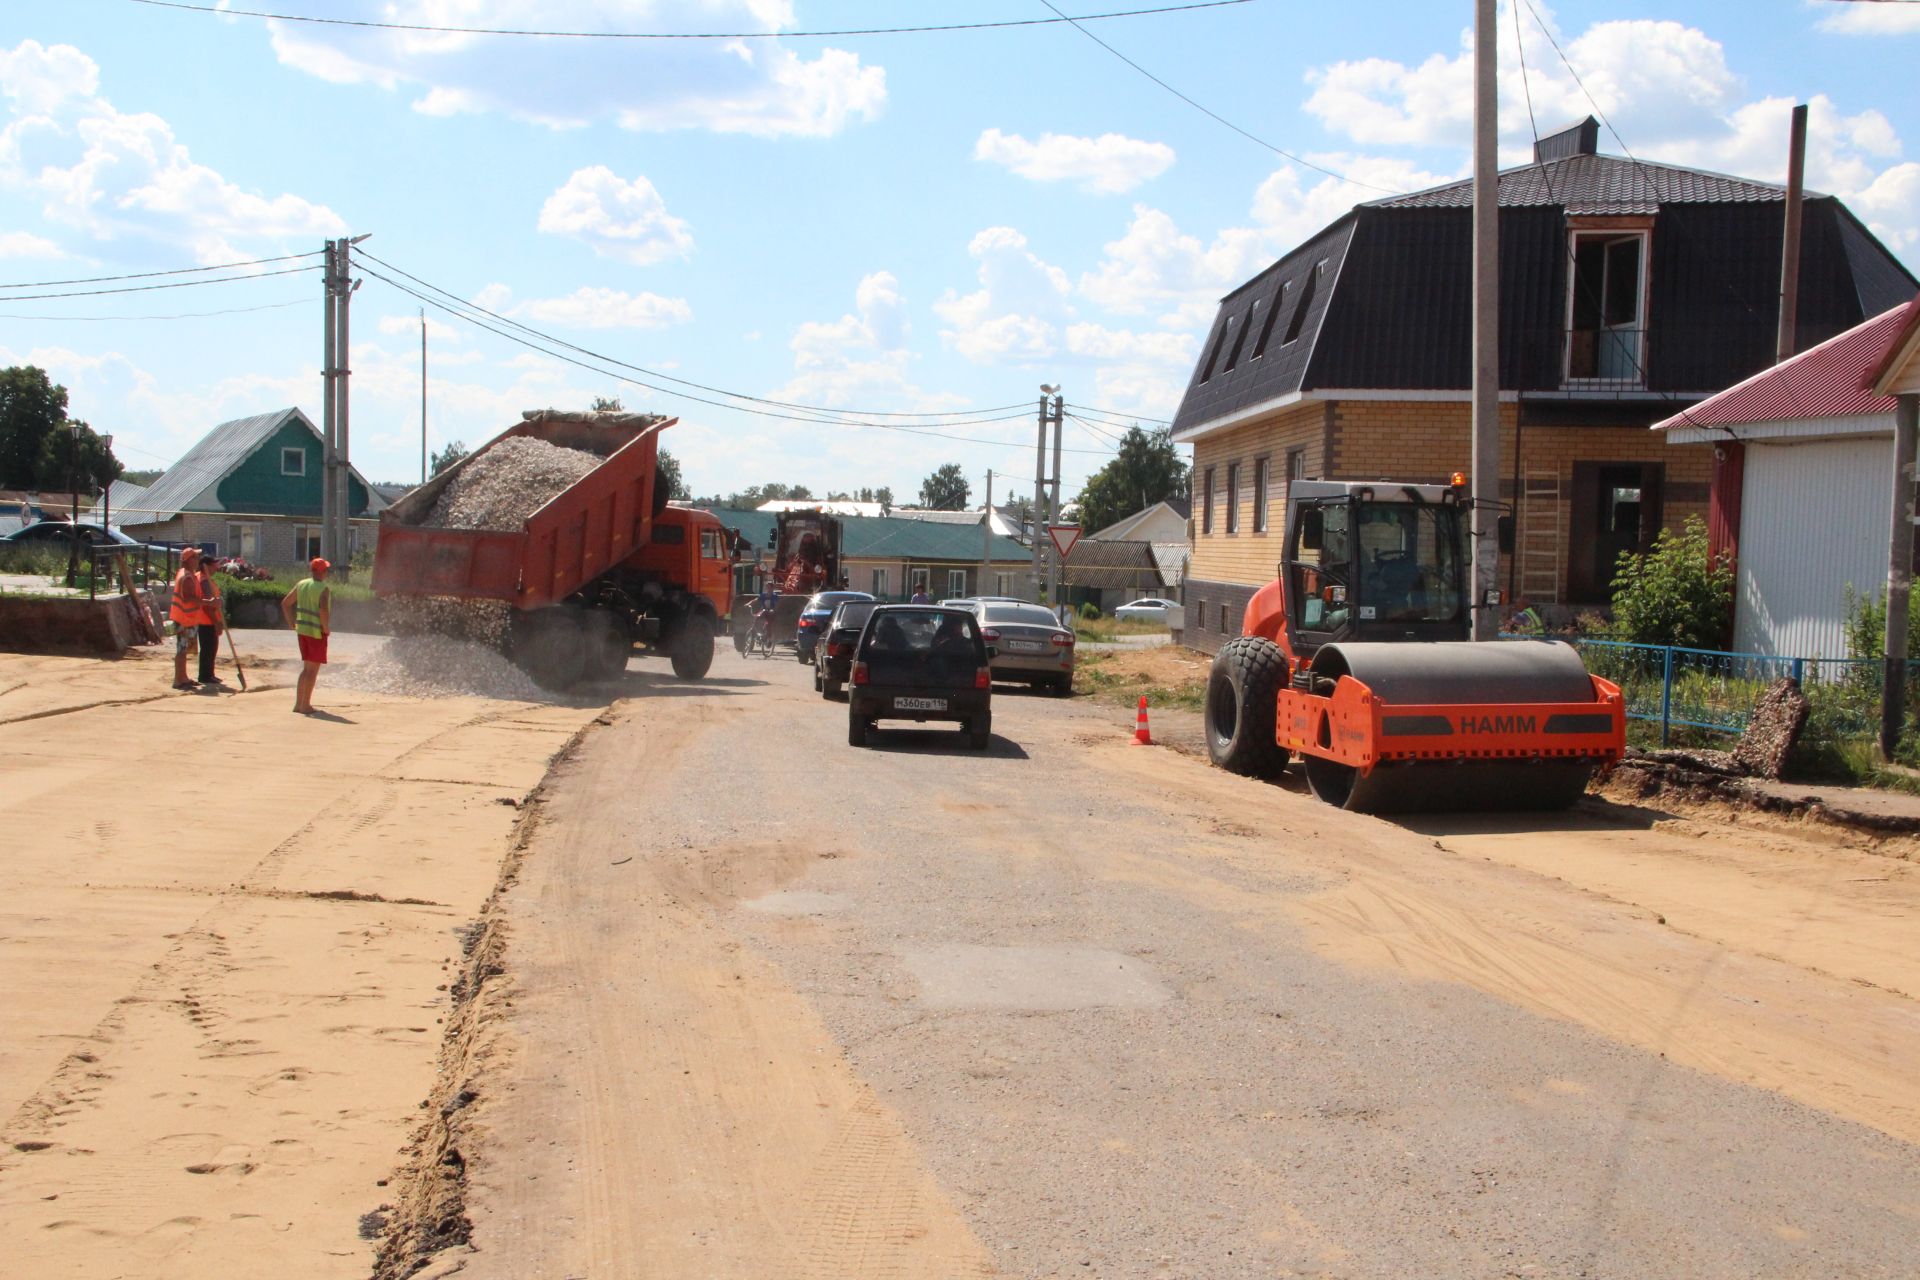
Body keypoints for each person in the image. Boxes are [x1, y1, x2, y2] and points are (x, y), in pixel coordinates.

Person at [280, 557, 333, 715]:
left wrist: (291, 622)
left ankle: (298, 704)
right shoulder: (323, 589)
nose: (327, 572)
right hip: (316, 633)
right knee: (312, 671)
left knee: (305, 670)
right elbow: (323, 610)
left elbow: (285, 603)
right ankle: (306, 705)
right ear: (322, 571)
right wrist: (326, 628)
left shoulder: (302, 584)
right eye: (326, 570)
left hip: (302, 630)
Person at [168, 548, 218, 690]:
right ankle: (179, 679)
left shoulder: (187, 574)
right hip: (184, 618)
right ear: (188, 560)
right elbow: (189, 597)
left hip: (186, 618)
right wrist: (210, 602)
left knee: (184, 649)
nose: (198, 560)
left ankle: (183, 677)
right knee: (182, 649)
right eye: (195, 557)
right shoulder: (187, 577)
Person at [196, 554, 229, 688]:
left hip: (205, 619)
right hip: (206, 620)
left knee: (209, 648)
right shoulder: (204, 581)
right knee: (209, 649)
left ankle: (209, 673)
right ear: (207, 566)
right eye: (214, 564)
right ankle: (206, 675)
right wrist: (216, 622)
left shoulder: (203, 578)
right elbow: (208, 606)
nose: (217, 567)